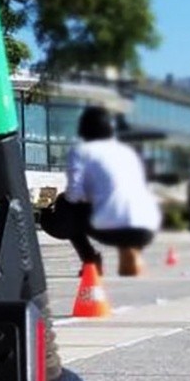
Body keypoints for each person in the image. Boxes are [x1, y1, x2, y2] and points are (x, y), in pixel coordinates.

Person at [39, 105, 160, 277]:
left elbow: (74, 194)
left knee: (65, 206)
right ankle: (130, 250)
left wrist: (59, 202)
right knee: (114, 205)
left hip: (111, 227)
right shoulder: (127, 151)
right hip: (146, 226)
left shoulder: (81, 150)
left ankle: (91, 260)